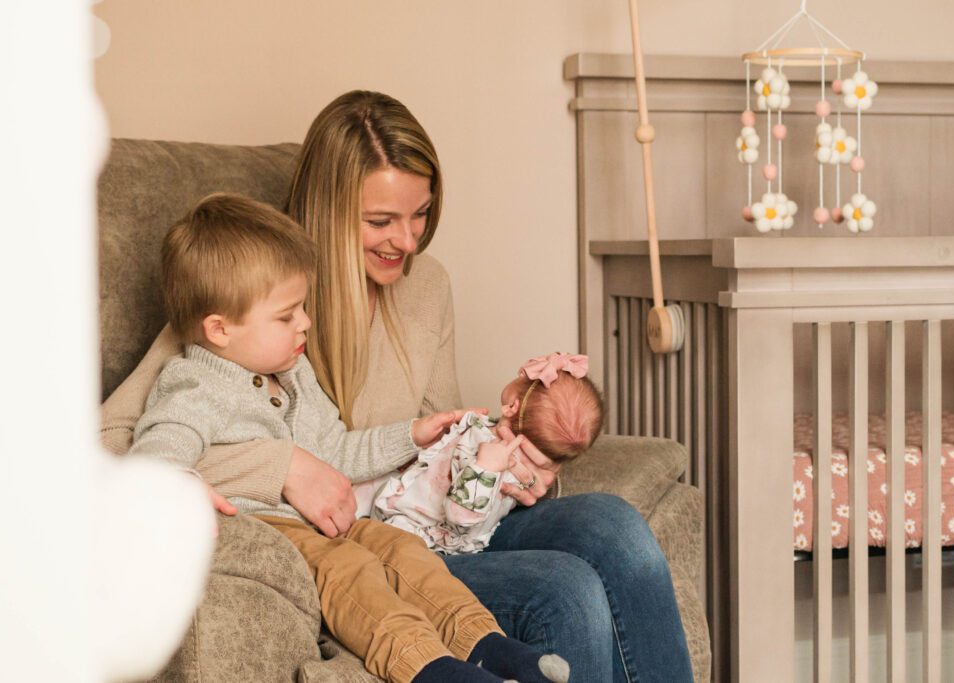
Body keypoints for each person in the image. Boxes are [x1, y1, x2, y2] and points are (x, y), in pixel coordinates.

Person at [101, 90, 694, 682]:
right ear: (328, 212)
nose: (408, 241)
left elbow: (444, 447)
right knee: (566, 592)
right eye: (381, 221)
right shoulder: (251, 297)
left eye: (420, 214)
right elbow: (112, 448)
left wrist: (519, 458)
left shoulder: (427, 285)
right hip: (367, 540)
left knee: (616, 528)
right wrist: (280, 467)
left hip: (439, 516)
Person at [128, 192, 569, 683]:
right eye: (287, 315)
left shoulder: (293, 374)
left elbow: (336, 452)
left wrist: (412, 436)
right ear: (219, 329)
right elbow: (157, 450)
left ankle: (482, 644)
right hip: (267, 533)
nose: (306, 323)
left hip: (326, 525)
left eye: (303, 308)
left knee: (403, 553)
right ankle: (427, 667)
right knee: (353, 570)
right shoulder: (196, 384)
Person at [354, 352, 604, 555]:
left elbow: (461, 516)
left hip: (422, 533)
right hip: (410, 495)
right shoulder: (493, 438)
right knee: (369, 485)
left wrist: (485, 469)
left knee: (384, 538)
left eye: (522, 375)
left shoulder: (496, 460)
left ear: (512, 406)